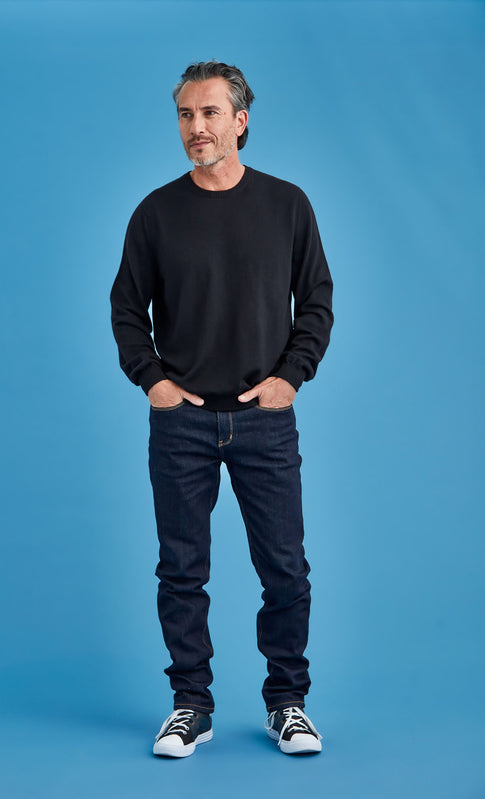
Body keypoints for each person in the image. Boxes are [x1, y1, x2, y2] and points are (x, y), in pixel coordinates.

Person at [110, 61, 333, 758]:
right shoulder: (155, 213)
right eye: (185, 114)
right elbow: (126, 309)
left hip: (264, 420)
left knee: (285, 570)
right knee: (181, 571)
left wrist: (290, 377)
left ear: (240, 120)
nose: (195, 128)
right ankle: (191, 706)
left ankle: (287, 704)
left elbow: (316, 301)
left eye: (209, 113)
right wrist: (152, 380)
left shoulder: (287, 204)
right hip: (180, 423)